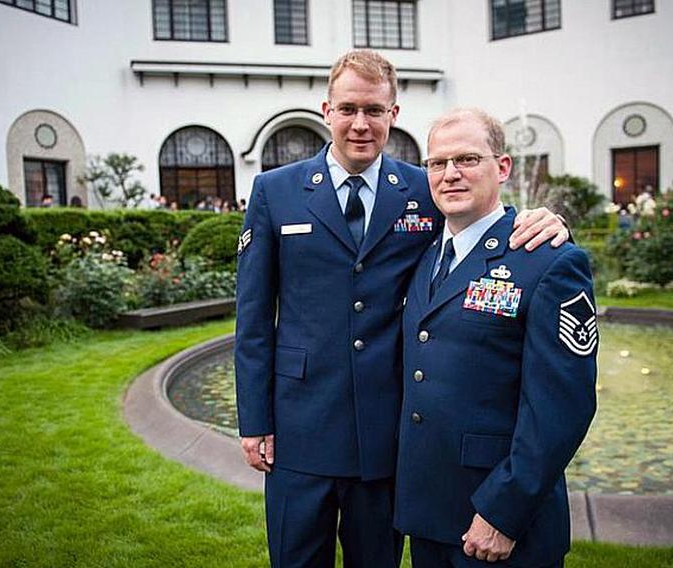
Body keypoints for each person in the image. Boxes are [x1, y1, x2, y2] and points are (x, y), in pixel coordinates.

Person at [235, 51, 570, 568]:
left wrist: (549, 222)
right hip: (300, 427)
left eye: (374, 109)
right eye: (348, 109)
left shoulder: (425, 187)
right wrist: (254, 421)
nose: (360, 124)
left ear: (394, 114)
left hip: (386, 436)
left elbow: (484, 230)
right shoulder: (274, 191)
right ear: (327, 110)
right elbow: (253, 319)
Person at [393, 108, 597, 567]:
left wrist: (504, 512)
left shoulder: (547, 261)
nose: (450, 174)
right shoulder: (425, 257)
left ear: (502, 168)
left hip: (503, 523)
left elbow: (562, 406)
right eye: (437, 163)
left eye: (467, 159)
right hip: (429, 514)